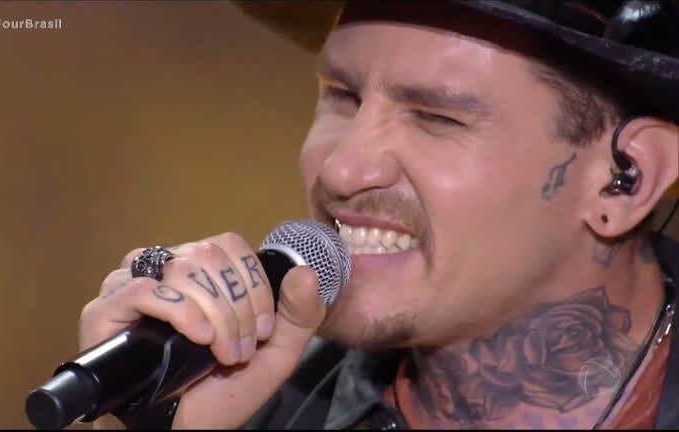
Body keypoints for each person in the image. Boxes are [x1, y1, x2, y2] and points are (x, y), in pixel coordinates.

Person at [77, 0, 679, 429]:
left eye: (437, 117)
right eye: (342, 97)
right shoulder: (262, 404)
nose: (341, 170)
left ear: (624, 180)